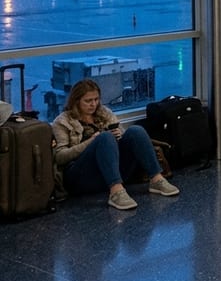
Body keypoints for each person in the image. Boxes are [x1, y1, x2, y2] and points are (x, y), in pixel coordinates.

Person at [52, 79, 180, 210]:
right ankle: (116, 191)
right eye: (88, 101)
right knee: (105, 137)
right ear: (76, 101)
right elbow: (60, 156)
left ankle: (156, 179)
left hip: (110, 169)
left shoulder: (104, 113)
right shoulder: (63, 121)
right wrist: (90, 141)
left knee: (136, 131)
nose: (93, 105)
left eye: (96, 100)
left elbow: (122, 141)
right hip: (80, 176)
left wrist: (120, 135)